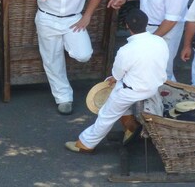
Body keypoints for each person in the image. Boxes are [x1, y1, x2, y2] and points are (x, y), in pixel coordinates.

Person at [107, 0, 188, 138]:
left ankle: (173, 115)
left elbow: (171, 21)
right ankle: (150, 113)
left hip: (164, 32)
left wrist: (150, 41)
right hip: (147, 28)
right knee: (147, 71)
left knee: (162, 72)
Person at [65, 9, 169, 153]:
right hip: (153, 87)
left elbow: (117, 75)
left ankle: (86, 144)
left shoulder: (126, 50)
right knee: (120, 90)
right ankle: (130, 126)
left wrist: (112, 79)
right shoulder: (160, 41)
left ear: (127, 26)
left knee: (106, 116)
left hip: (132, 92)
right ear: (146, 23)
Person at [31, 0, 106, 115]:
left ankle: (67, 46)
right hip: (47, 17)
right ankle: (63, 98)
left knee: (83, 54)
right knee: (51, 59)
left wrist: (87, 15)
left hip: (73, 19)